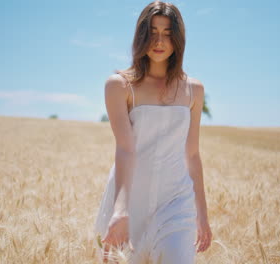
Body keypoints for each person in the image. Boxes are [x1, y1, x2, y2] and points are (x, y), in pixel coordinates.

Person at [93, 1, 212, 263]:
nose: (159, 41)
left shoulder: (194, 90)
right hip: (130, 201)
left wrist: (201, 214)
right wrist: (120, 210)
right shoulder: (120, 86)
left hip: (176, 202)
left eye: (168, 33)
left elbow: (192, 155)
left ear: (178, 39)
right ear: (141, 35)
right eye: (153, 32)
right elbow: (125, 148)